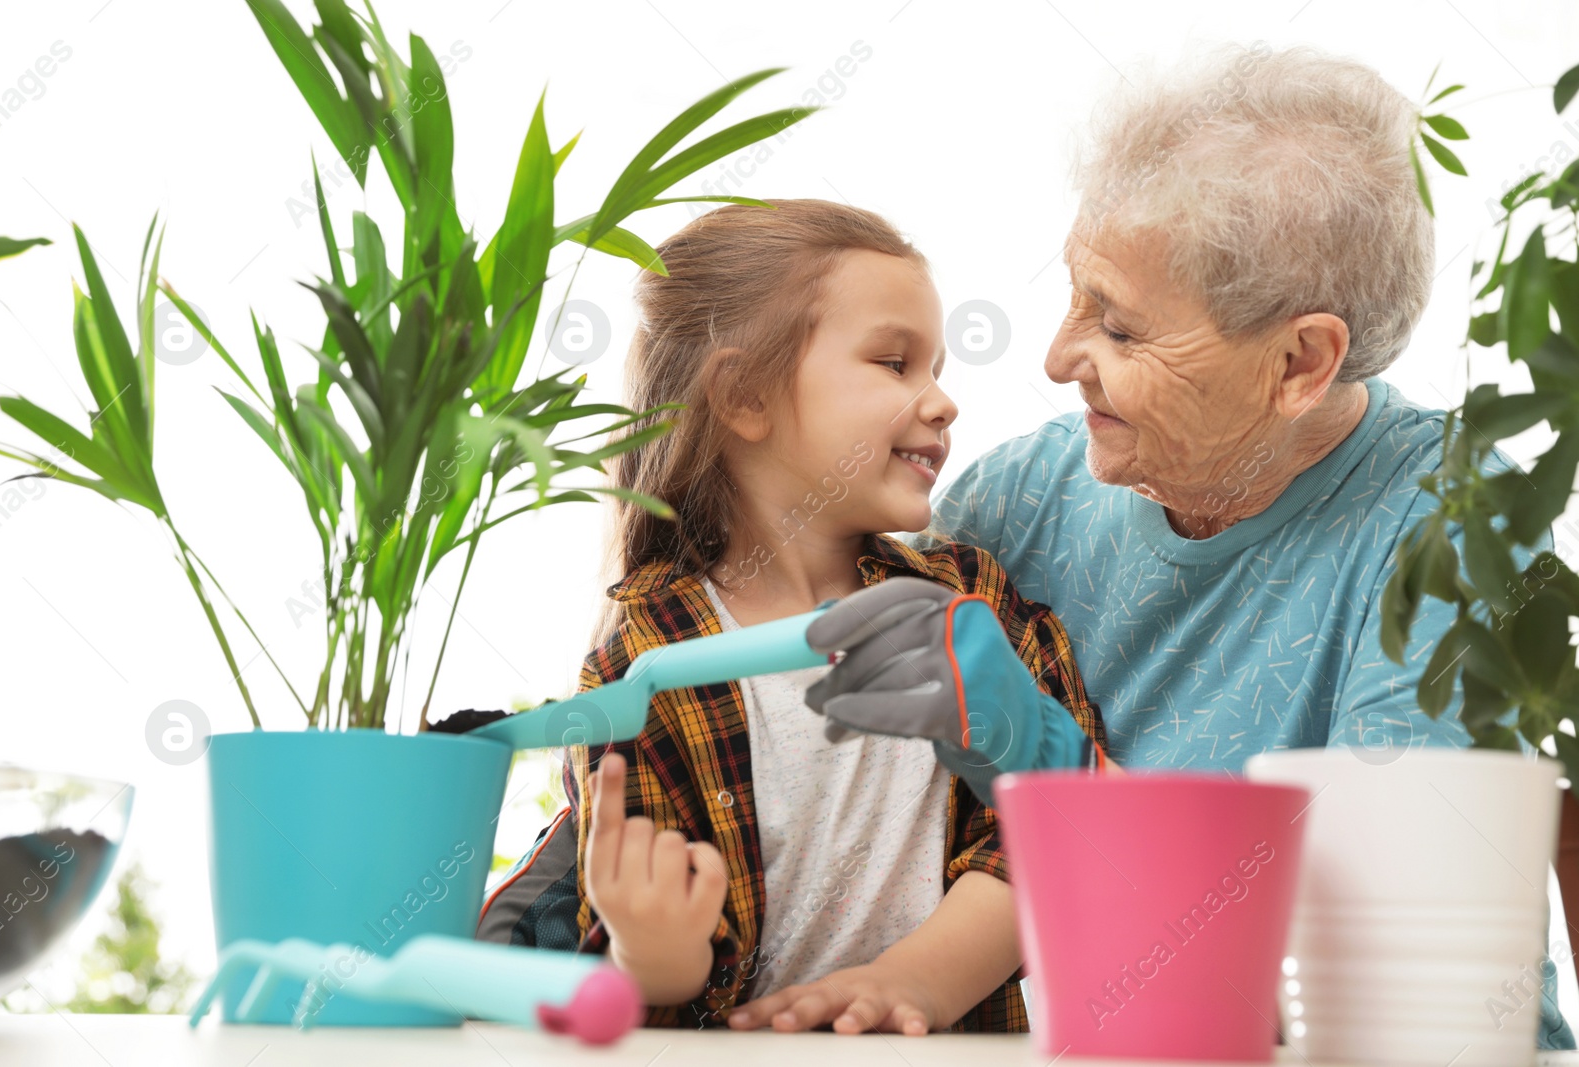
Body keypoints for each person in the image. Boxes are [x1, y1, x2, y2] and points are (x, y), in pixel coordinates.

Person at [797, 43, 1575, 1049]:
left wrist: (1047, 756)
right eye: (1076, 293)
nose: (1056, 356)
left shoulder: (1457, 522)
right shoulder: (1020, 500)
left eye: (1119, 330)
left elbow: (1368, 978)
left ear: (1300, 362)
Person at [458, 199, 1106, 1033]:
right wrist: (653, 950)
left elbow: (1050, 837)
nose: (942, 402)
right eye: (895, 362)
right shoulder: (644, 655)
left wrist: (913, 981)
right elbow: (650, 978)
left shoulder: (969, 599)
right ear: (745, 395)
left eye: (938, 367)